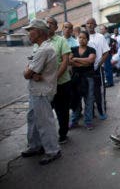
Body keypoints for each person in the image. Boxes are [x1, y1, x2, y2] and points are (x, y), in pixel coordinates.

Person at [21, 19, 61, 165]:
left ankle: (53, 150)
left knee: (45, 122)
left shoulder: (44, 50)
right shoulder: (41, 48)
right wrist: (31, 72)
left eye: (30, 30)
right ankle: (35, 146)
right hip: (36, 90)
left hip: (42, 92)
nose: (28, 34)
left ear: (38, 31)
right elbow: (30, 70)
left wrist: (30, 72)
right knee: (33, 119)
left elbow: (26, 73)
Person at [46, 17, 71, 144]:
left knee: (62, 111)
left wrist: (54, 78)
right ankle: (46, 137)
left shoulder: (61, 41)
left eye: (51, 24)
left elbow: (65, 61)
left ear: (56, 28)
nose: (48, 25)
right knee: (45, 112)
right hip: (45, 86)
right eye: (47, 23)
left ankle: (63, 134)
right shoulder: (39, 42)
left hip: (61, 83)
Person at [69, 31, 96, 130]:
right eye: (80, 37)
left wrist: (76, 59)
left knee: (88, 100)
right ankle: (74, 121)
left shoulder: (91, 50)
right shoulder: (73, 49)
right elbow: (69, 61)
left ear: (88, 39)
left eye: (84, 38)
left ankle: (88, 122)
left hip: (88, 78)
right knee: (75, 100)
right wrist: (83, 63)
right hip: (76, 78)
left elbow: (90, 61)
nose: (81, 39)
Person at [85, 18, 110, 122]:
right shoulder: (83, 37)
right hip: (85, 69)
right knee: (87, 92)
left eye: (92, 23)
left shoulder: (100, 37)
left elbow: (106, 53)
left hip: (97, 69)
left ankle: (101, 112)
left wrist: (98, 65)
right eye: (88, 23)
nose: (90, 25)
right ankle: (90, 113)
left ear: (95, 25)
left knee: (99, 92)